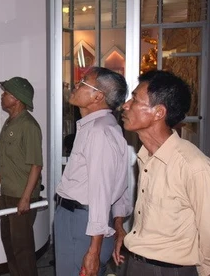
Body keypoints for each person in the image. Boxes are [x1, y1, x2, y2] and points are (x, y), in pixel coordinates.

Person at [118, 70, 210, 276]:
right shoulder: (146, 156)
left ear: (158, 113)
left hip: (169, 270)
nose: (125, 105)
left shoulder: (194, 166)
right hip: (137, 263)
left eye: (134, 99)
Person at [54, 67, 132, 276]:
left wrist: (94, 250)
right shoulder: (103, 126)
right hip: (84, 220)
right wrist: (117, 222)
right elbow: (118, 183)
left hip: (82, 224)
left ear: (98, 96)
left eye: (82, 83)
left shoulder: (99, 132)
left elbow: (101, 192)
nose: (75, 86)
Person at [0, 76, 43, 276]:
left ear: (17, 99)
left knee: (22, 247)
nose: (2, 96)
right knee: (9, 242)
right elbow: (7, 162)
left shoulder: (29, 126)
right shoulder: (9, 123)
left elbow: (36, 165)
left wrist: (26, 198)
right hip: (8, 193)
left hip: (21, 194)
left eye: (6, 93)